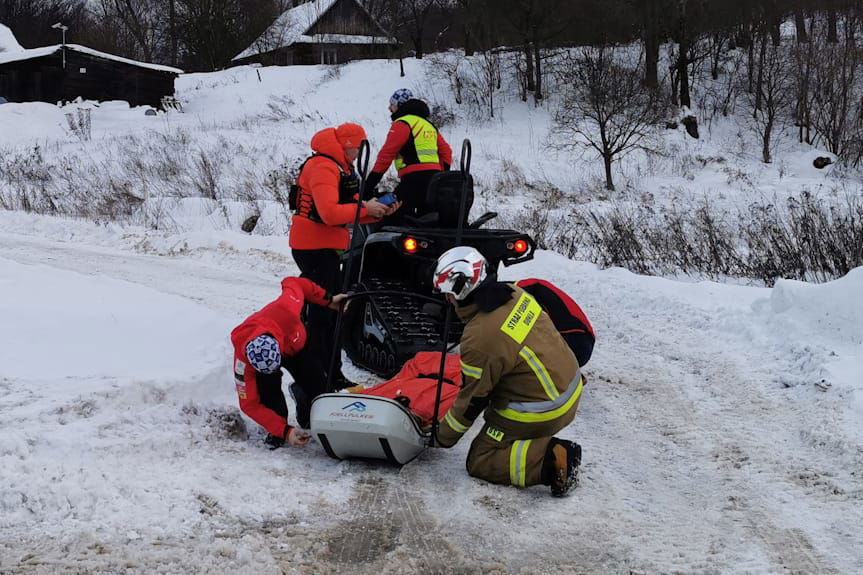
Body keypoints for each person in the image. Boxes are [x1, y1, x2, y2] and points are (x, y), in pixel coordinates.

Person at [431, 247, 585, 497]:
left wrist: (441, 437)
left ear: (461, 290)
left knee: (481, 459)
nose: (447, 300)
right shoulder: (514, 293)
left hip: (544, 409)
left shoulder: (480, 336)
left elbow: (473, 399)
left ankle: (551, 459)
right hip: (569, 387)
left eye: (448, 294)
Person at [289, 123, 393, 389]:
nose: (359, 153)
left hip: (325, 248)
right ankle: (321, 377)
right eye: (358, 147)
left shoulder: (338, 167)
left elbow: (351, 208)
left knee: (330, 314)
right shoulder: (323, 166)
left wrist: (378, 211)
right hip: (314, 248)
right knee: (324, 317)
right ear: (347, 144)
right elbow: (330, 214)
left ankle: (330, 373)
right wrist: (366, 207)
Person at [231, 276, 347, 448]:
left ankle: (303, 399)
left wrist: (328, 300)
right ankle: (278, 427)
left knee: (321, 392)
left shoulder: (285, 308)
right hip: (270, 358)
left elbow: (293, 282)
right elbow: (249, 404)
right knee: (267, 391)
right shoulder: (242, 362)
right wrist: (285, 431)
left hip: (298, 347)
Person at [362, 88, 453, 225]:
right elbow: (446, 153)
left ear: (399, 105)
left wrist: (368, 186)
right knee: (427, 221)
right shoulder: (428, 125)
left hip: (413, 181)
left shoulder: (403, 123)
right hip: (434, 181)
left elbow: (386, 155)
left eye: (391, 104)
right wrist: (442, 175)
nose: (389, 107)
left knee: (389, 214)